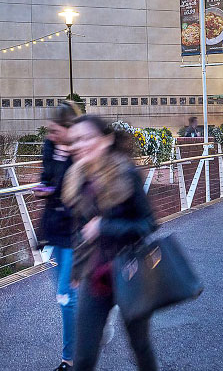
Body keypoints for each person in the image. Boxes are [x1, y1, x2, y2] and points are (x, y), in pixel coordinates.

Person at [62, 115, 158, 371]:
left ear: (106, 140)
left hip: (130, 272)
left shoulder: (126, 174)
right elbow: (79, 231)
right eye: (75, 140)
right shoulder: (75, 179)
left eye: (86, 138)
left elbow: (148, 224)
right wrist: (76, 271)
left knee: (140, 347)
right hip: (95, 276)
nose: (79, 145)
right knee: (83, 358)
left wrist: (105, 226)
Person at [35, 102, 81, 371]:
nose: (50, 135)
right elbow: (47, 178)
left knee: (65, 295)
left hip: (77, 229)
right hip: (54, 227)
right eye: (49, 131)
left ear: (68, 128)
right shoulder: (49, 147)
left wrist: (53, 189)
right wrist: (43, 187)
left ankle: (69, 360)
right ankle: (95, 319)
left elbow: (79, 191)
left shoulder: (81, 152)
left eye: (55, 130)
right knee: (64, 294)